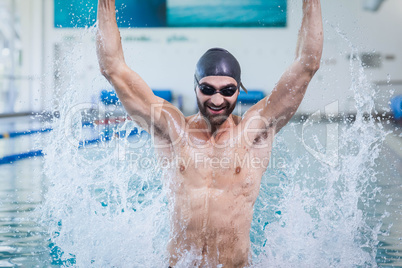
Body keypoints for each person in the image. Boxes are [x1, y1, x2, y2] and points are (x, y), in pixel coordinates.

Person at [96, 0, 323, 267]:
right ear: (195, 87)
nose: (217, 99)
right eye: (207, 89)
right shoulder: (172, 129)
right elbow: (113, 68)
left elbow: (307, 65)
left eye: (227, 90)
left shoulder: (254, 132)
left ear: (240, 90)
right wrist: (105, 5)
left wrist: (312, 4)